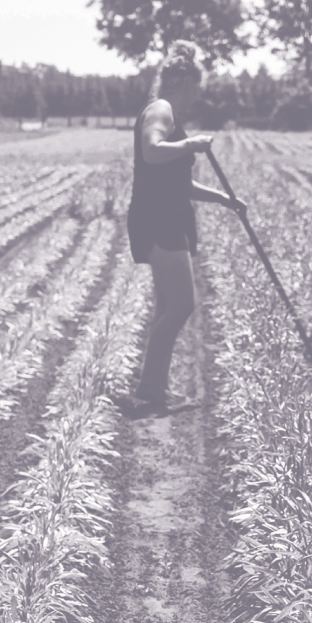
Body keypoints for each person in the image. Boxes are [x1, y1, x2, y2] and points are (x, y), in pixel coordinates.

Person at [122, 40, 244, 416]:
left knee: (167, 307)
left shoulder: (169, 114)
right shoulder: (161, 110)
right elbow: (151, 151)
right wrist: (190, 144)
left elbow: (179, 183)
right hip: (159, 219)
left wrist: (224, 199)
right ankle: (149, 389)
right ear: (187, 81)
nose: (199, 95)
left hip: (165, 214)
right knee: (181, 305)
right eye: (199, 87)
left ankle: (154, 390)